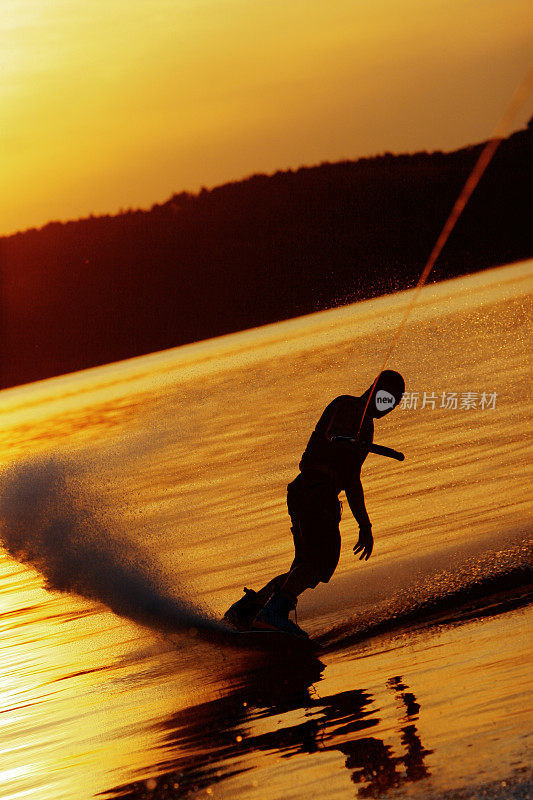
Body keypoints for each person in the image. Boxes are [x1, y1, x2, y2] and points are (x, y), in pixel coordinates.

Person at [223, 370, 405, 638]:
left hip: (319, 496)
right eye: (388, 398)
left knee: (303, 567)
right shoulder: (347, 405)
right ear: (376, 389)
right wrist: (341, 439)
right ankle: (272, 614)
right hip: (313, 492)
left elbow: (352, 481)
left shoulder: (367, 429)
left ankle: (247, 610)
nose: (389, 407)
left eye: (395, 403)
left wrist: (364, 524)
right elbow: (332, 433)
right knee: (320, 563)